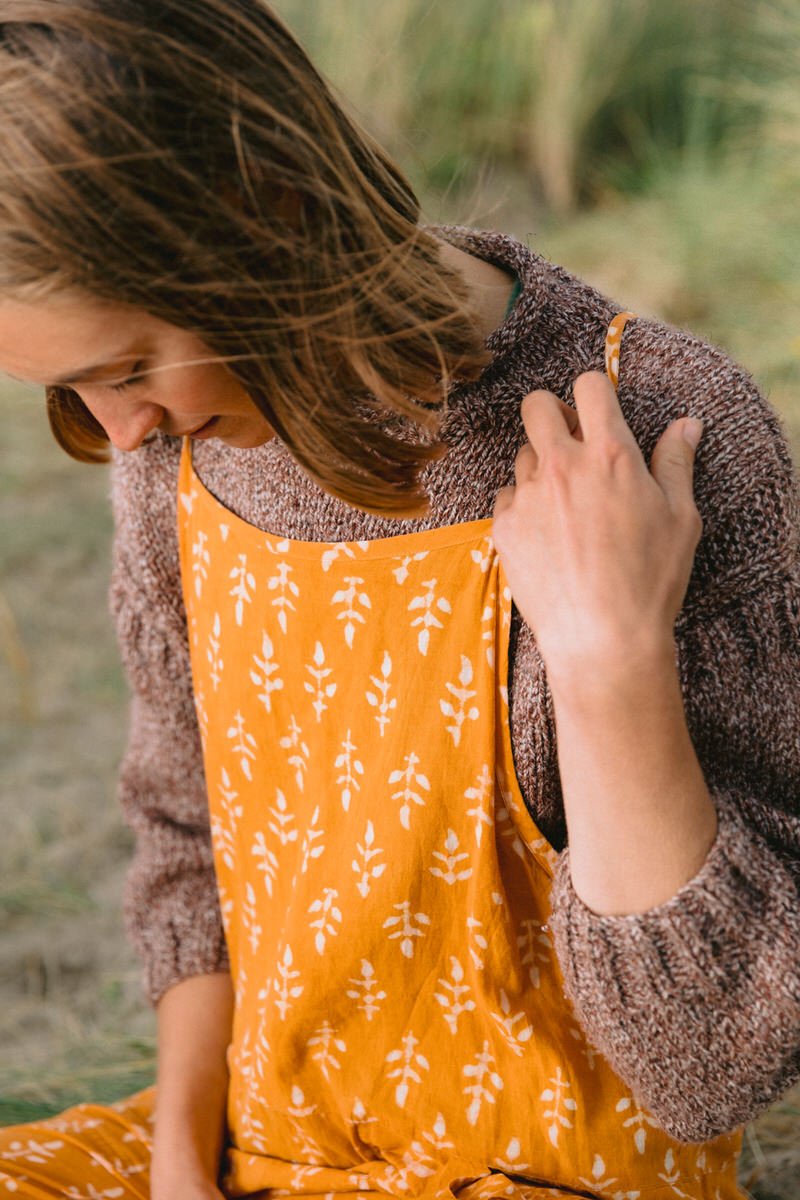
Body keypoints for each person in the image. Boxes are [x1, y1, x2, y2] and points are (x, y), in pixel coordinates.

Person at [0, 2, 797, 1197]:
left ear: (265, 212)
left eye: (125, 369)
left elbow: (705, 1067)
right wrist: (175, 1164)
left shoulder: (662, 430)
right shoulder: (175, 453)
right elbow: (186, 830)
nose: (119, 432)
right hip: (250, 1154)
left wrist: (606, 660)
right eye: (70, 395)